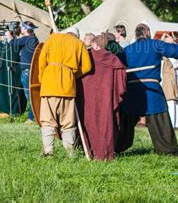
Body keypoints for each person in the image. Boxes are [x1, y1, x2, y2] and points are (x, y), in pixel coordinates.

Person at [116, 23, 178, 155]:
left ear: (136, 35)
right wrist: (170, 43)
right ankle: (167, 150)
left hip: (132, 92)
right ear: (148, 33)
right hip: (151, 92)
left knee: (125, 124)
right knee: (160, 121)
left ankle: (116, 147)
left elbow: (117, 63)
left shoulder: (127, 49)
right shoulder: (155, 44)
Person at [38, 27, 92, 157]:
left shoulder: (52, 39)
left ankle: (48, 151)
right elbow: (87, 67)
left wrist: (42, 78)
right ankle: (70, 153)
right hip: (67, 88)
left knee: (47, 121)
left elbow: (41, 61)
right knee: (68, 123)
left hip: (49, 86)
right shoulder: (79, 44)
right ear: (76, 35)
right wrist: (72, 75)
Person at [76, 34, 127, 160]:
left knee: (89, 122)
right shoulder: (113, 59)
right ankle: (104, 153)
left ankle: (89, 150)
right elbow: (122, 81)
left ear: (95, 44)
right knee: (105, 123)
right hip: (106, 100)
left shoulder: (87, 57)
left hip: (87, 99)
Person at [8, 21, 39, 124]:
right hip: (30, 70)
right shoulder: (33, 39)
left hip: (27, 71)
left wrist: (9, 37)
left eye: (22, 27)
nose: (21, 29)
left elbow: (13, 43)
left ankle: (32, 118)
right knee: (31, 94)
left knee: (29, 95)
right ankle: (34, 116)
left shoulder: (27, 39)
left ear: (25, 29)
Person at [0, 26, 26, 115]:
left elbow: (16, 57)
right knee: (3, 90)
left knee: (16, 91)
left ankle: (15, 111)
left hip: (14, 72)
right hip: (2, 73)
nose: (3, 35)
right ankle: (5, 110)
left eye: (5, 32)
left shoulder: (16, 44)